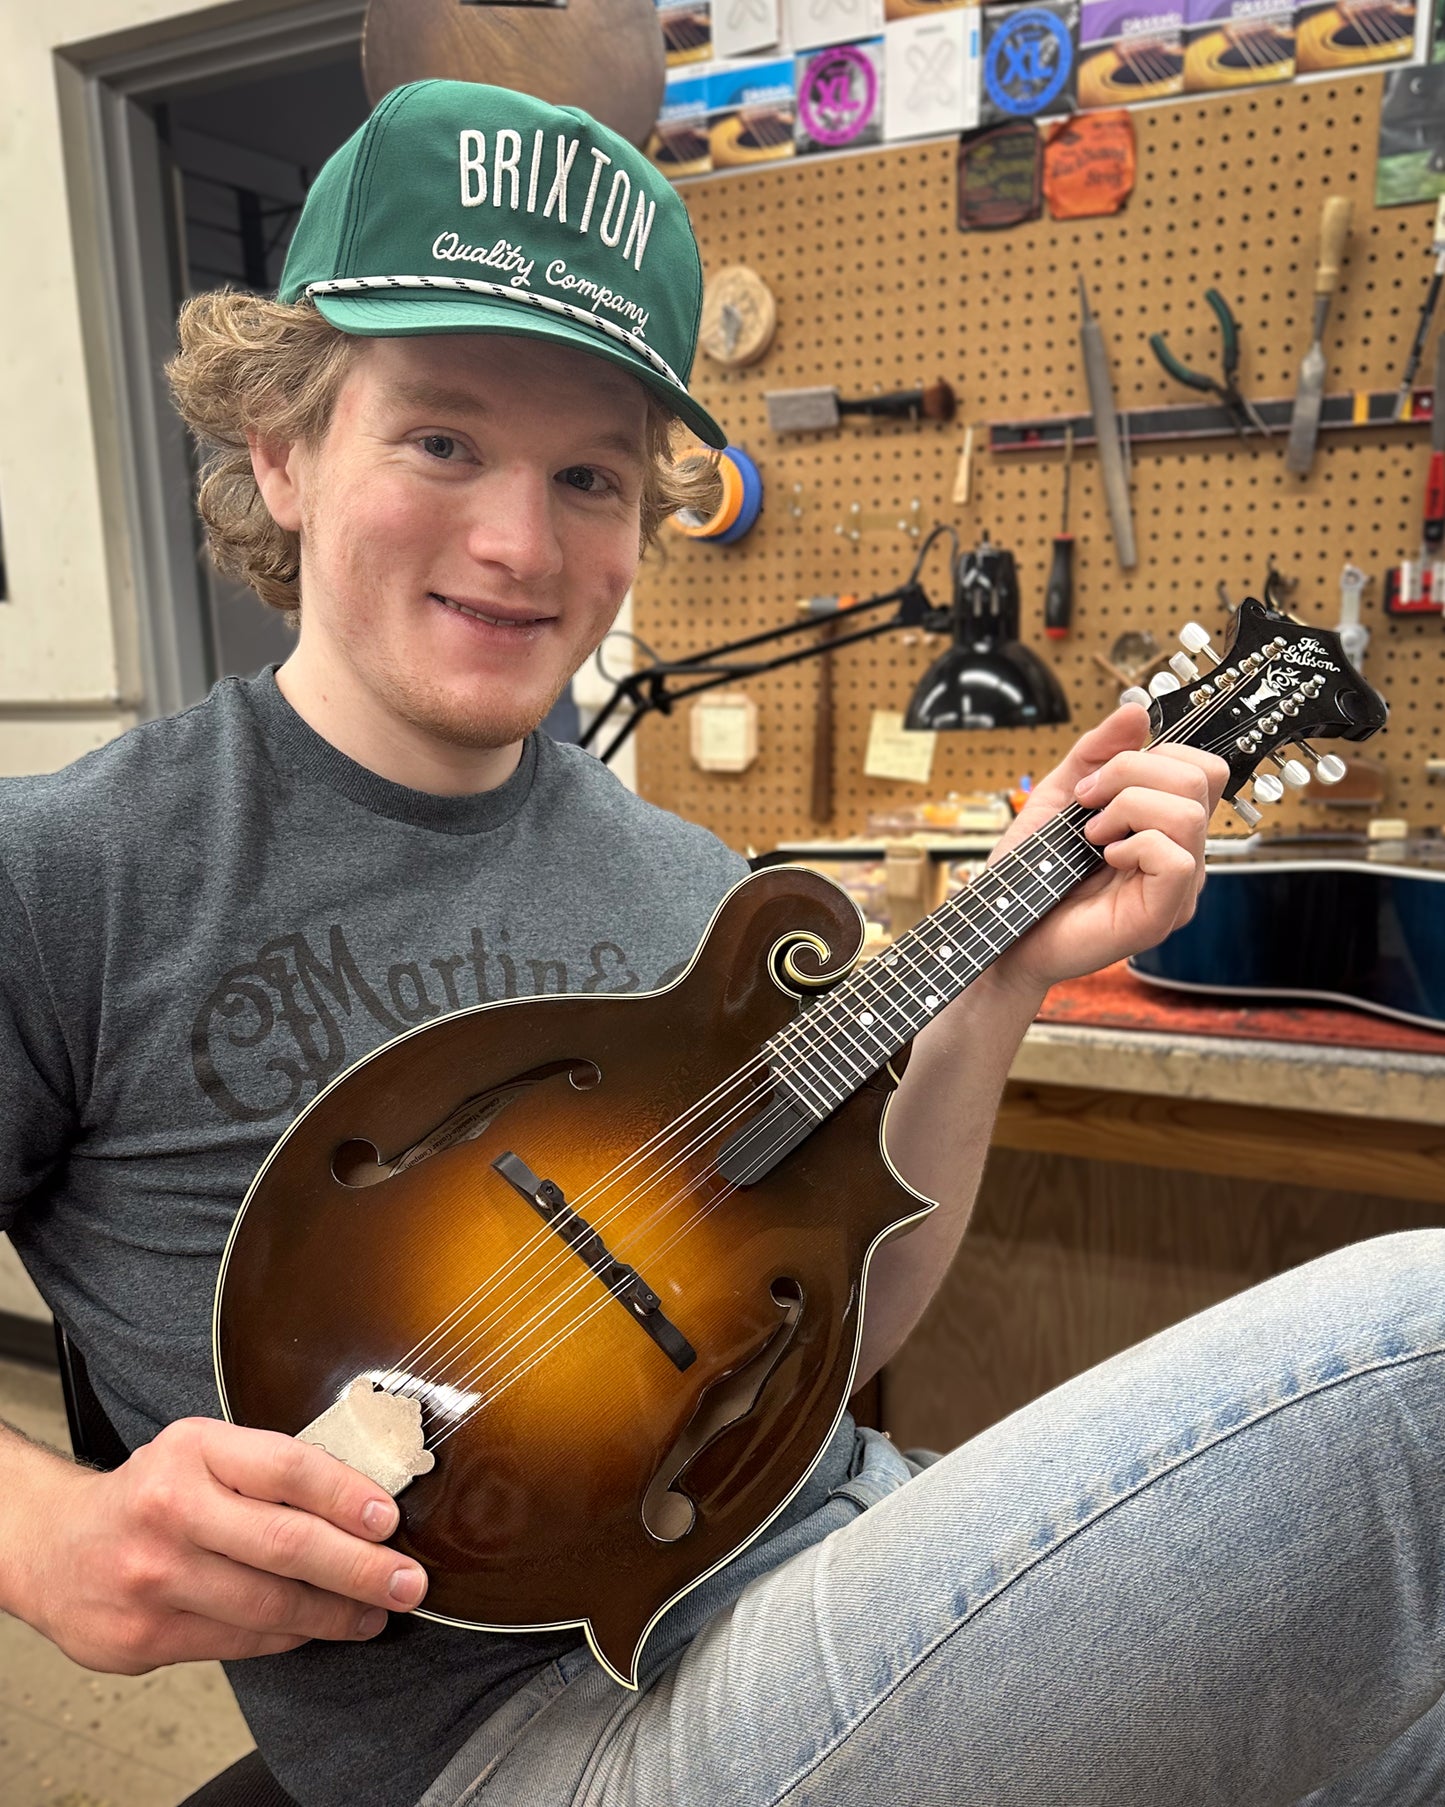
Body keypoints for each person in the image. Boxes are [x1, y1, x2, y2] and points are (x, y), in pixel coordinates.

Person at [0, 77, 1440, 1807]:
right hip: (532, 1746)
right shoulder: (75, 872)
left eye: (589, 474)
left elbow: (820, 1333)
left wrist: (996, 989)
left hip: (842, 1561)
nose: (520, 542)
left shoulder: (693, 890)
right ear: (284, 446)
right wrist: (51, 1535)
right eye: (442, 439)